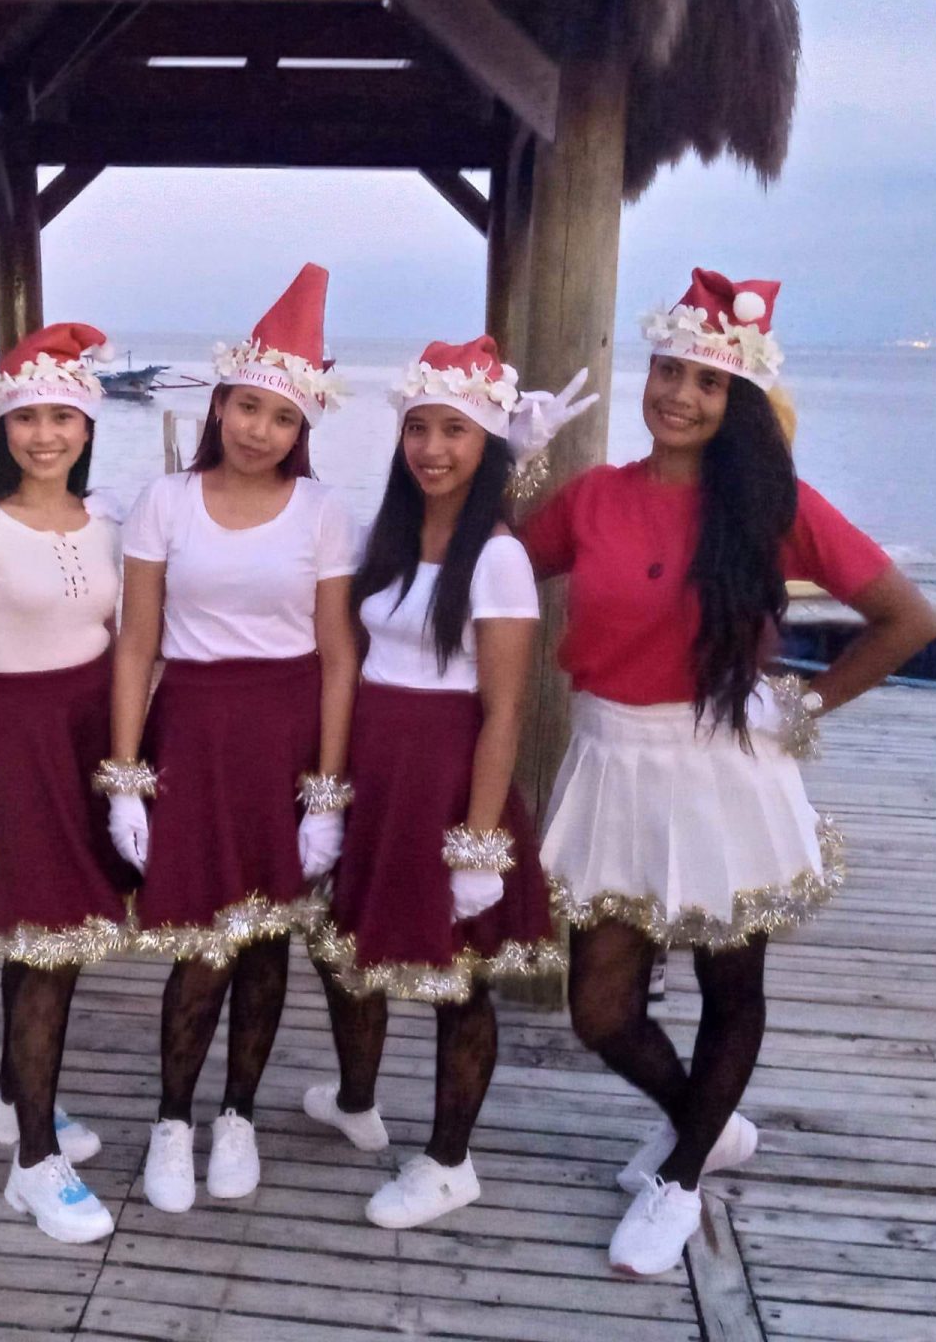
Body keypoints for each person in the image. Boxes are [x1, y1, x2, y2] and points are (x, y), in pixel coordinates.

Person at [519, 269, 936, 1276]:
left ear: (737, 399)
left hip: (721, 766)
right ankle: (704, 1123)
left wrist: (802, 706)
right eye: (667, 372)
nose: (678, 395)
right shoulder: (592, 497)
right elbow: (489, 568)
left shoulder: (771, 506)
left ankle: (680, 1179)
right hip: (610, 758)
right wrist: (511, 456)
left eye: (706, 382)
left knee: (729, 981)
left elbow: (908, 619)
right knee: (600, 1009)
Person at [106, 263, 358, 1212]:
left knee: (265, 941)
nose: (260, 429)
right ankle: (173, 1120)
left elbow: (338, 659)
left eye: (282, 417)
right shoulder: (164, 501)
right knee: (201, 940)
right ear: (219, 405)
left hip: (285, 738)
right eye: (247, 407)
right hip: (195, 735)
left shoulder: (325, 514)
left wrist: (325, 797)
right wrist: (125, 778)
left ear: (304, 430)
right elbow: (137, 646)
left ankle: (238, 1115)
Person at [305, 335, 566, 1229]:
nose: (431, 449)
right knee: (346, 951)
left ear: (487, 445)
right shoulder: (388, 538)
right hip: (376, 769)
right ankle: (356, 1100)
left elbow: (505, 711)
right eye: (418, 428)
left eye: (454, 431)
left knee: (460, 975)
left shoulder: (497, 558)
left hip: (446, 777)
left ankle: (451, 1161)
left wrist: (479, 845)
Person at [0, 322, 132, 1244]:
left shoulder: (108, 525)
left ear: (87, 426)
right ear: (2, 426)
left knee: (64, 937)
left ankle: (14, 1103)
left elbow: (125, 643)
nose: (44, 435)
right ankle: (35, 1164)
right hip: (16, 741)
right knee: (42, 941)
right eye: (26, 418)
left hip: (89, 740)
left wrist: (126, 772)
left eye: (62, 418)